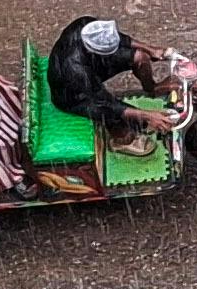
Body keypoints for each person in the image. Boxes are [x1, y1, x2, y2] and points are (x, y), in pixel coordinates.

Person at [43, 15, 174, 177]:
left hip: (91, 62)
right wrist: (148, 116)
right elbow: (106, 103)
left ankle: (151, 88)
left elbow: (121, 39)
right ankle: (122, 140)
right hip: (71, 95)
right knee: (107, 111)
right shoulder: (75, 70)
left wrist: (149, 49)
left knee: (139, 57)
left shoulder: (87, 25)